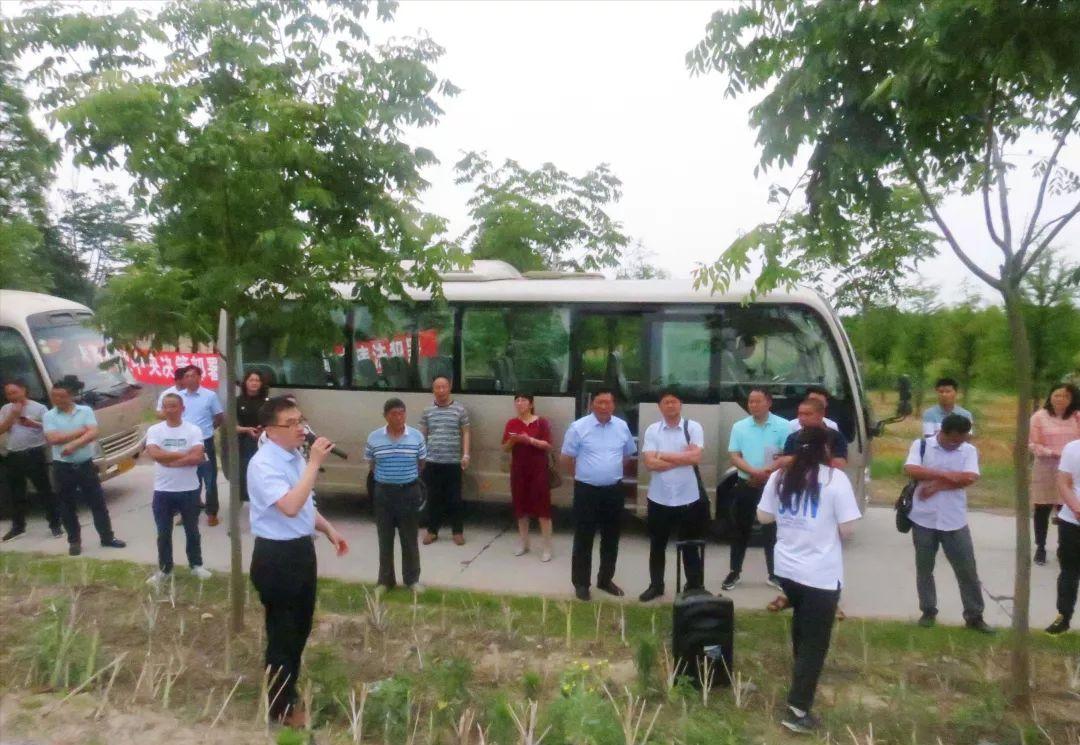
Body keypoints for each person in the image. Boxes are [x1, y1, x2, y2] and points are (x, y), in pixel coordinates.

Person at [247, 395, 348, 727]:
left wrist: (329, 529)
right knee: (283, 633)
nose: (300, 428)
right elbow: (289, 505)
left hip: (301, 551)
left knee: (301, 628)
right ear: (270, 430)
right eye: (290, 423)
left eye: (300, 420)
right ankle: (280, 708)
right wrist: (315, 463)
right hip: (276, 556)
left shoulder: (292, 457)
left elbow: (305, 505)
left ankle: (288, 690)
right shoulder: (263, 464)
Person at [757, 426, 861, 734]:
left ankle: (799, 680)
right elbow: (849, 529)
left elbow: (764, 517)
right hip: (820, 576)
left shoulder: (780, 477)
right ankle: (797, 710)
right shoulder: (834, 479)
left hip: (787, 571)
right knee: (815, 644)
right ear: (824, 450)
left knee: (803, 631)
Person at [903, 413, 992, 632]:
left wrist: (937, 484)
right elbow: (912, 469)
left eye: (961, 440)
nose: (956, 444)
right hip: (923, 518)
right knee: (925, 568)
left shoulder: (968, 450)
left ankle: (974, 615)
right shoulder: (922, 445)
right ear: (942, 432)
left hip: (954, 519)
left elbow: (970, 477)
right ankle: (928, 610)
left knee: (967, 570)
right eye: (952, 440)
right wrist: (949, 475)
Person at [560, 388, 637, 601]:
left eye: (608, 402)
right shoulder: (578, 427)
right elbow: (566, 458)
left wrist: (608, 472)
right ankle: (582, 583)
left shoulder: (621, 427)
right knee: (584, 538)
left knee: (611, 537)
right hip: (586, 490)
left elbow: (627, 455)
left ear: (614, 405)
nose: (604, 406)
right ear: (592, 404)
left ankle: (605, 580)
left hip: (613, 490)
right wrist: (585, 474)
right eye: (600, 402)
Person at [638, 389, 709, 602]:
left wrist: (663, 455)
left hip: (688, 497)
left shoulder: (693, 427)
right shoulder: (653, 430)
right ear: (660, 407)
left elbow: (696, 457)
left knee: (689, 545)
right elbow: (649, 463)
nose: (670, 406)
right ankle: (656, 585)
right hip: (659, 497)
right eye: (666, 402)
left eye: (674, 402)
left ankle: (694, 586)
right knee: (657, 545)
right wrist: (682, 457)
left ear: (680, 404)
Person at [42, 380, 126, 556]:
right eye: (54, 396)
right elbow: (53, 439)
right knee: (67, 506)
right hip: (63, 467)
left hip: (85, 464)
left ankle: (107, 537)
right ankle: (74, 541)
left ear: (71, 395)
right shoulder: (49, 415)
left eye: (62, 396)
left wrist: (74, 444)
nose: (57, 399)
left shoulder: (85, 411)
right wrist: (81, 432)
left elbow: (94, 432)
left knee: (98, 503)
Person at [723, 386, 790, 591]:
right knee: (740, 529)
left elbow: (787, 455)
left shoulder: (784, 426)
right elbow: (734, 455)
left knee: (772, 530)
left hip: (773, 484)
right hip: (746, 483)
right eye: (750, 401)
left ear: (769, 402)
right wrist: (754, 472)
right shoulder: (740, 426)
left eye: (758, 401)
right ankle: (734, 571)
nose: (753, 405)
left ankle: (775, 573)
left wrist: (766, 472)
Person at [145, 393, 211, 585]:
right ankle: (165, 569)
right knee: (163, 532)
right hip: (163, 490)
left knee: (192, 530)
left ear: (182, 408)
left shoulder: (193, 430)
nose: (170, 410)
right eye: (166, 406)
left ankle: (196, 565)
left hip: (189, 490)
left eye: (174, 406)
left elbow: (197, 456)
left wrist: (171, 459)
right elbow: (154, 454)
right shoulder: (155, 430)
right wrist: (183, 455)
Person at [366, 398, 427, 593]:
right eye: (394, 413)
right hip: (384, 492)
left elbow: (421, 463)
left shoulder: (416, 436)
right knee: (385, 538)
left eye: (402, 413)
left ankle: (412, 580)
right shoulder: (374, 437)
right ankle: (385, 581)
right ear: (386, 416)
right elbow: (372, 465)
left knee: (409, 538)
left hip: (409, 491)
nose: (399, 417)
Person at [157, 366, 224, 525]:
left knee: (209, 479)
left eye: (193, 376)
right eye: (186, 376)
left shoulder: (210, 396)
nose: (189, 379)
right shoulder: (178, 398)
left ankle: (211, 513)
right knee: (189, 478)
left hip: (205, 442)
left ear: (200, 377)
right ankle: (187, 512)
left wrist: (208, 429)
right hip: (184, 443)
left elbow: (219, 416)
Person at [0, 379, 62, 541]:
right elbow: (1, 430)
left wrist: (31, 423)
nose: (11, 396)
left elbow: (50, 429)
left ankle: (55, 524)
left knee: (44, 490)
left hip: (34, 453)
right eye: (8, 394)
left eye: (14, 392)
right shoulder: (6, 409)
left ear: (23, 390)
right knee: (16, 493)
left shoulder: (39, 408)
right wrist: (12, 415)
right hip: (13, 454)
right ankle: (18, 527)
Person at [1028, 383, 1080, 565]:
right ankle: (1040, 547)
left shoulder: (1076, 417)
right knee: (1042, 508)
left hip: (1070, 470)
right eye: (1056, 395)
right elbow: (1033, 444)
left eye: (1066, 396)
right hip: (1045, 467)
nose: (1060, 399)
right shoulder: (1039, 417)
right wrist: (1052, 453)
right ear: (1050, 396)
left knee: (1065, 509)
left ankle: (1063, 546)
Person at [502, 393, 553, 561]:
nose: (519, 403)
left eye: (523, 400)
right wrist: (513, 441)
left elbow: (548, 445)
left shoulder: (541, 422)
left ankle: (546, 547)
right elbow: (505, 447)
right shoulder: (512, 423)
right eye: (517, 400)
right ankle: (524, 543)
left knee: (543, 508)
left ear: (531, 404)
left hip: (538, 469)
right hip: (518, 469)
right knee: (520, 507)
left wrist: (529, 440)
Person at [420, 375, 471, 546]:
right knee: (433, 498)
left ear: (449, 388)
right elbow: (423, 435)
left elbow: (466, 433)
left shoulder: (460, 410)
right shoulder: (428, 411)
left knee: (455, 498)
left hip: (453, 461)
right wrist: (421, 457)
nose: (441, 390)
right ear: (433, 390)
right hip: (432, 460)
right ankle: (432, 531)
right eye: (437, 387)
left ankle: (457, 532)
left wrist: (465, 454)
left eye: (444, 387)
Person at [1046, 438, 1080, 634]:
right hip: (1072, 521)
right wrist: (1076, 508)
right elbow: (1063, 481)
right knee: (1069, 571)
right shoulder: (1072, 448)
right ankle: (1064, 617)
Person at [237, 370, 270, 502]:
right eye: (251, 380)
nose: (254, 383)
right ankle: (246, 499)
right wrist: (246, 430)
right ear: (245, 382)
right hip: (245, 443)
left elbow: (273, 423)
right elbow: (231, 425)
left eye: (257, 380)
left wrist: (264, 431)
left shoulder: (268, 402)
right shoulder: (238, 401)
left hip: (265, 443)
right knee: (246, 471)